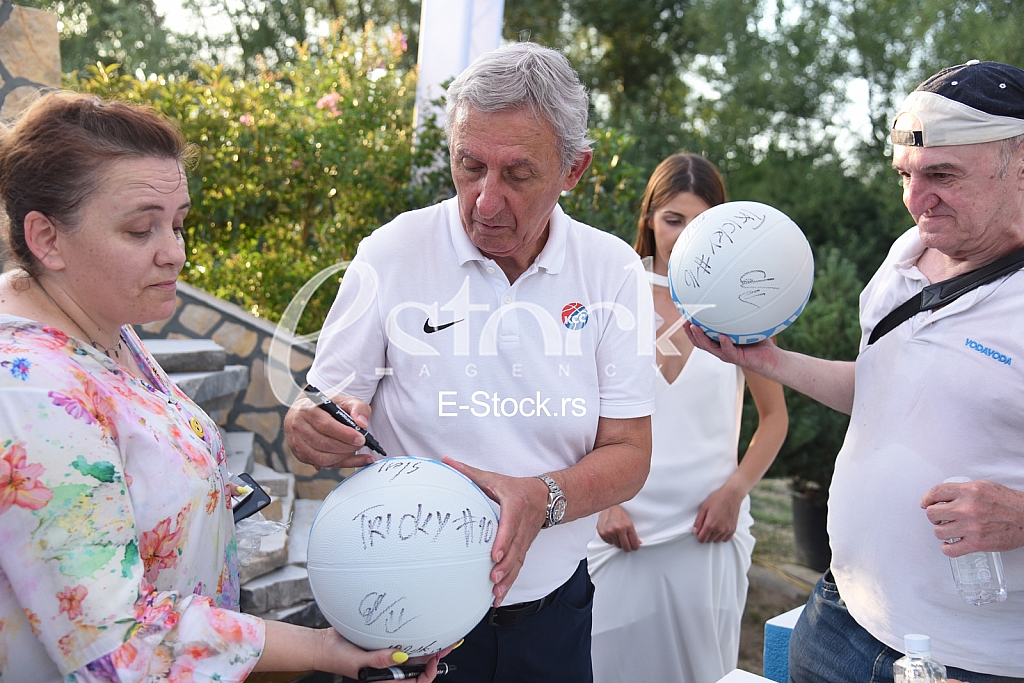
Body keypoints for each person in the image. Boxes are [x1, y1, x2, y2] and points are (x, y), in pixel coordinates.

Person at [0, 93, 446, 682]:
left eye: (179, 223)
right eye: (141, 229)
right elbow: (115, 647)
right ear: (47, 239)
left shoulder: (105, 326)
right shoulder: (30, 393)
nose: (175, 253)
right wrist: (319, 651)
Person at [283, 42, 655, 683]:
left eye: (517, 175)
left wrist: (546, 498)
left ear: (574, 170)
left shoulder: (612, 269)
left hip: (550, 616)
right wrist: (312, 427)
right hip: (399, 614)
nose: (484, 202)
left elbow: (629, 453)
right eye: (469, 165)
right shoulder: (392, 251)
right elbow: (321, 409)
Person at [686, 61, 1024, 681]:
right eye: (905, 175)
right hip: (841, 616)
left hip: (973, 661)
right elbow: (882, 389)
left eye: (942, 175)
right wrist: (768, 361)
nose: (915, 203)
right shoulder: (908, 258)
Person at [586, 153, 788, 683]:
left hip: (708, 530)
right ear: (649, 218)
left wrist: (734, 492)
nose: (682, 235)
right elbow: (574, 414)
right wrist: (602, 501)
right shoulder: (613, 291)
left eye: (700, 223)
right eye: (673, 219)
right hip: (616, 526)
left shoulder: (742, 305)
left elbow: (773, 418)